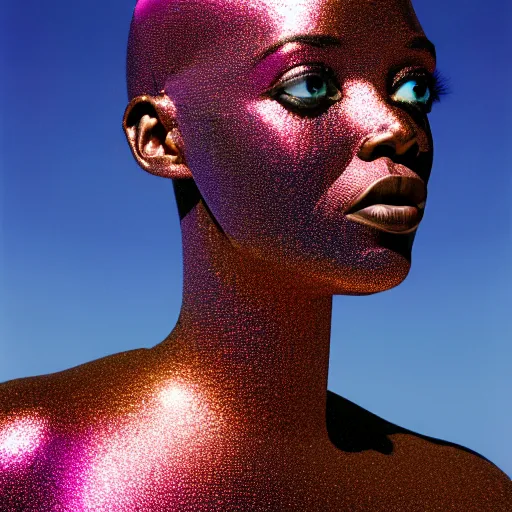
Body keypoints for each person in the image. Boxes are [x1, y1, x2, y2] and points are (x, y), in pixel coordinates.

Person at [1, 0, 510, 509]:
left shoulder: (470, 494)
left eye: (412, 89)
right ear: (162, 139)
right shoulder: (26, 454)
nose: (399, 129)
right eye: (311, 86)